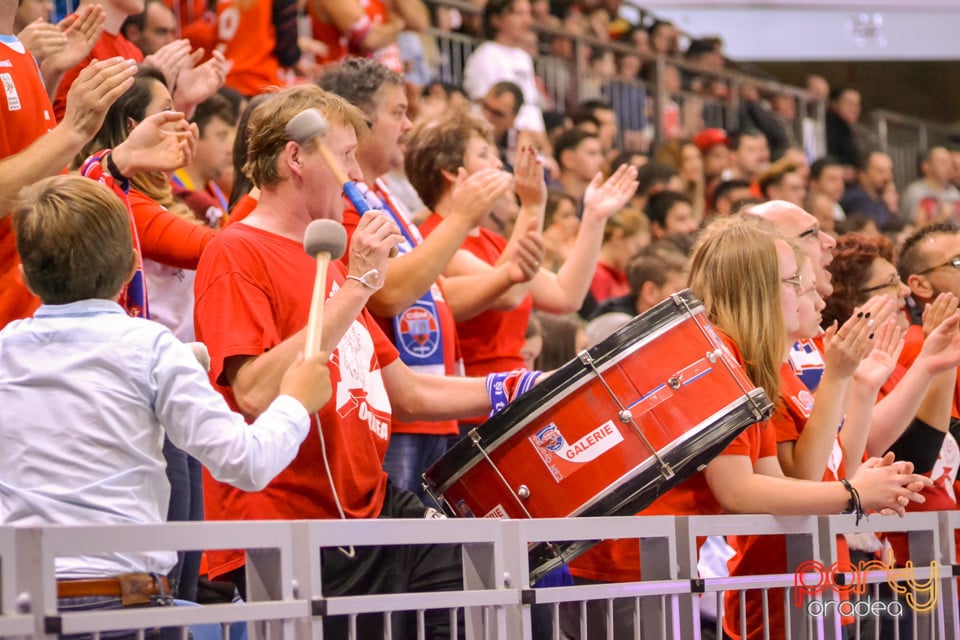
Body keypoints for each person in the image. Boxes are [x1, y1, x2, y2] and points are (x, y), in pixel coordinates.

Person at [193, 85, 525, 638]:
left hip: (367, 505)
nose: (359, 178)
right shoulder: (235, 250)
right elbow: (251, 391)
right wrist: (353, 289)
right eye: (345, 157)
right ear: (296, 157)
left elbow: (407, 393)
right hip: (290, 519)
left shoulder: (329, 258)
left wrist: (513, 388)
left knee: (474, 589)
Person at [562, 216, 931, 640]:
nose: (810, 298)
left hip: (653, 561)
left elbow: (775, 481)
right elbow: (738, 491)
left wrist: (851, 487)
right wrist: (852, 494)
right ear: (759, 290)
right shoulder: (714, 359)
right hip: (628, 569)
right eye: (796, 282)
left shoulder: (737, 360)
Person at [0, 174, 331, 629]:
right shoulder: (151, 348)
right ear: (133, 265)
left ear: (25, 275)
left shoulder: (6, 349)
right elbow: (246, 462)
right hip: (122, 609)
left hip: (19, 609)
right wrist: (295, 402)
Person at [319, 57, 541, 499]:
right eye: (397, 112)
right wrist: (461, 220)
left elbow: (438, 295)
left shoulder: (384, 198)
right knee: (404, 556)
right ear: (358, 119)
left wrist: (505, 276)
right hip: (396, 409)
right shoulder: (341, 200)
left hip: (429, 405)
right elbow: (390, 294)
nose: (407, 126)